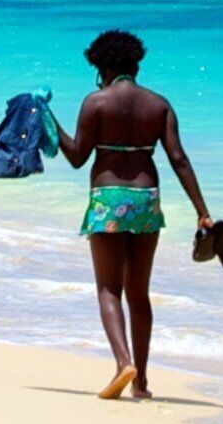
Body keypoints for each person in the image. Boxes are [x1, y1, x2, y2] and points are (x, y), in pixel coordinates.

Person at [58, 28, 213, 400]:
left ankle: (122, 362)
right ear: (136, 63)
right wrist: (202, 213)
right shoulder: (159, 105)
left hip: (108, 199)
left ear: (102, 66)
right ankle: (141, 382)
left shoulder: (95, 102)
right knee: (139, 293)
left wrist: (48, 122)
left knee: (109, 289)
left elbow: (78, 156)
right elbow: (179, 159)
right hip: (147, 200)